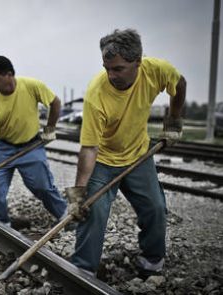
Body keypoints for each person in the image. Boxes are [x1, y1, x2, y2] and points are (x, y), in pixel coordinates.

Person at [66, 29, 186, 278]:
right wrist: (78, 193)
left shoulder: (156, 70)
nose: (111, 75)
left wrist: (174, 121)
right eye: (107, 68)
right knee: (93, 211)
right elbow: (89, 148)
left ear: (138, 63)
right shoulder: (96, 94)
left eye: (118, 69)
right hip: (103, 160)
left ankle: (151, 263)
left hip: (138, 154)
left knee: (155, 208)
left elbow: (179, 84)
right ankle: (83, 272)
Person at [0, 55, 68, 227]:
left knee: (42, 185)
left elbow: (55, 103)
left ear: (8, 75)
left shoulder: (31, 86)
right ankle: (0, 223)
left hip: (31, 145)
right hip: (5, 149)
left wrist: (50, 129)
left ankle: (65, 216)